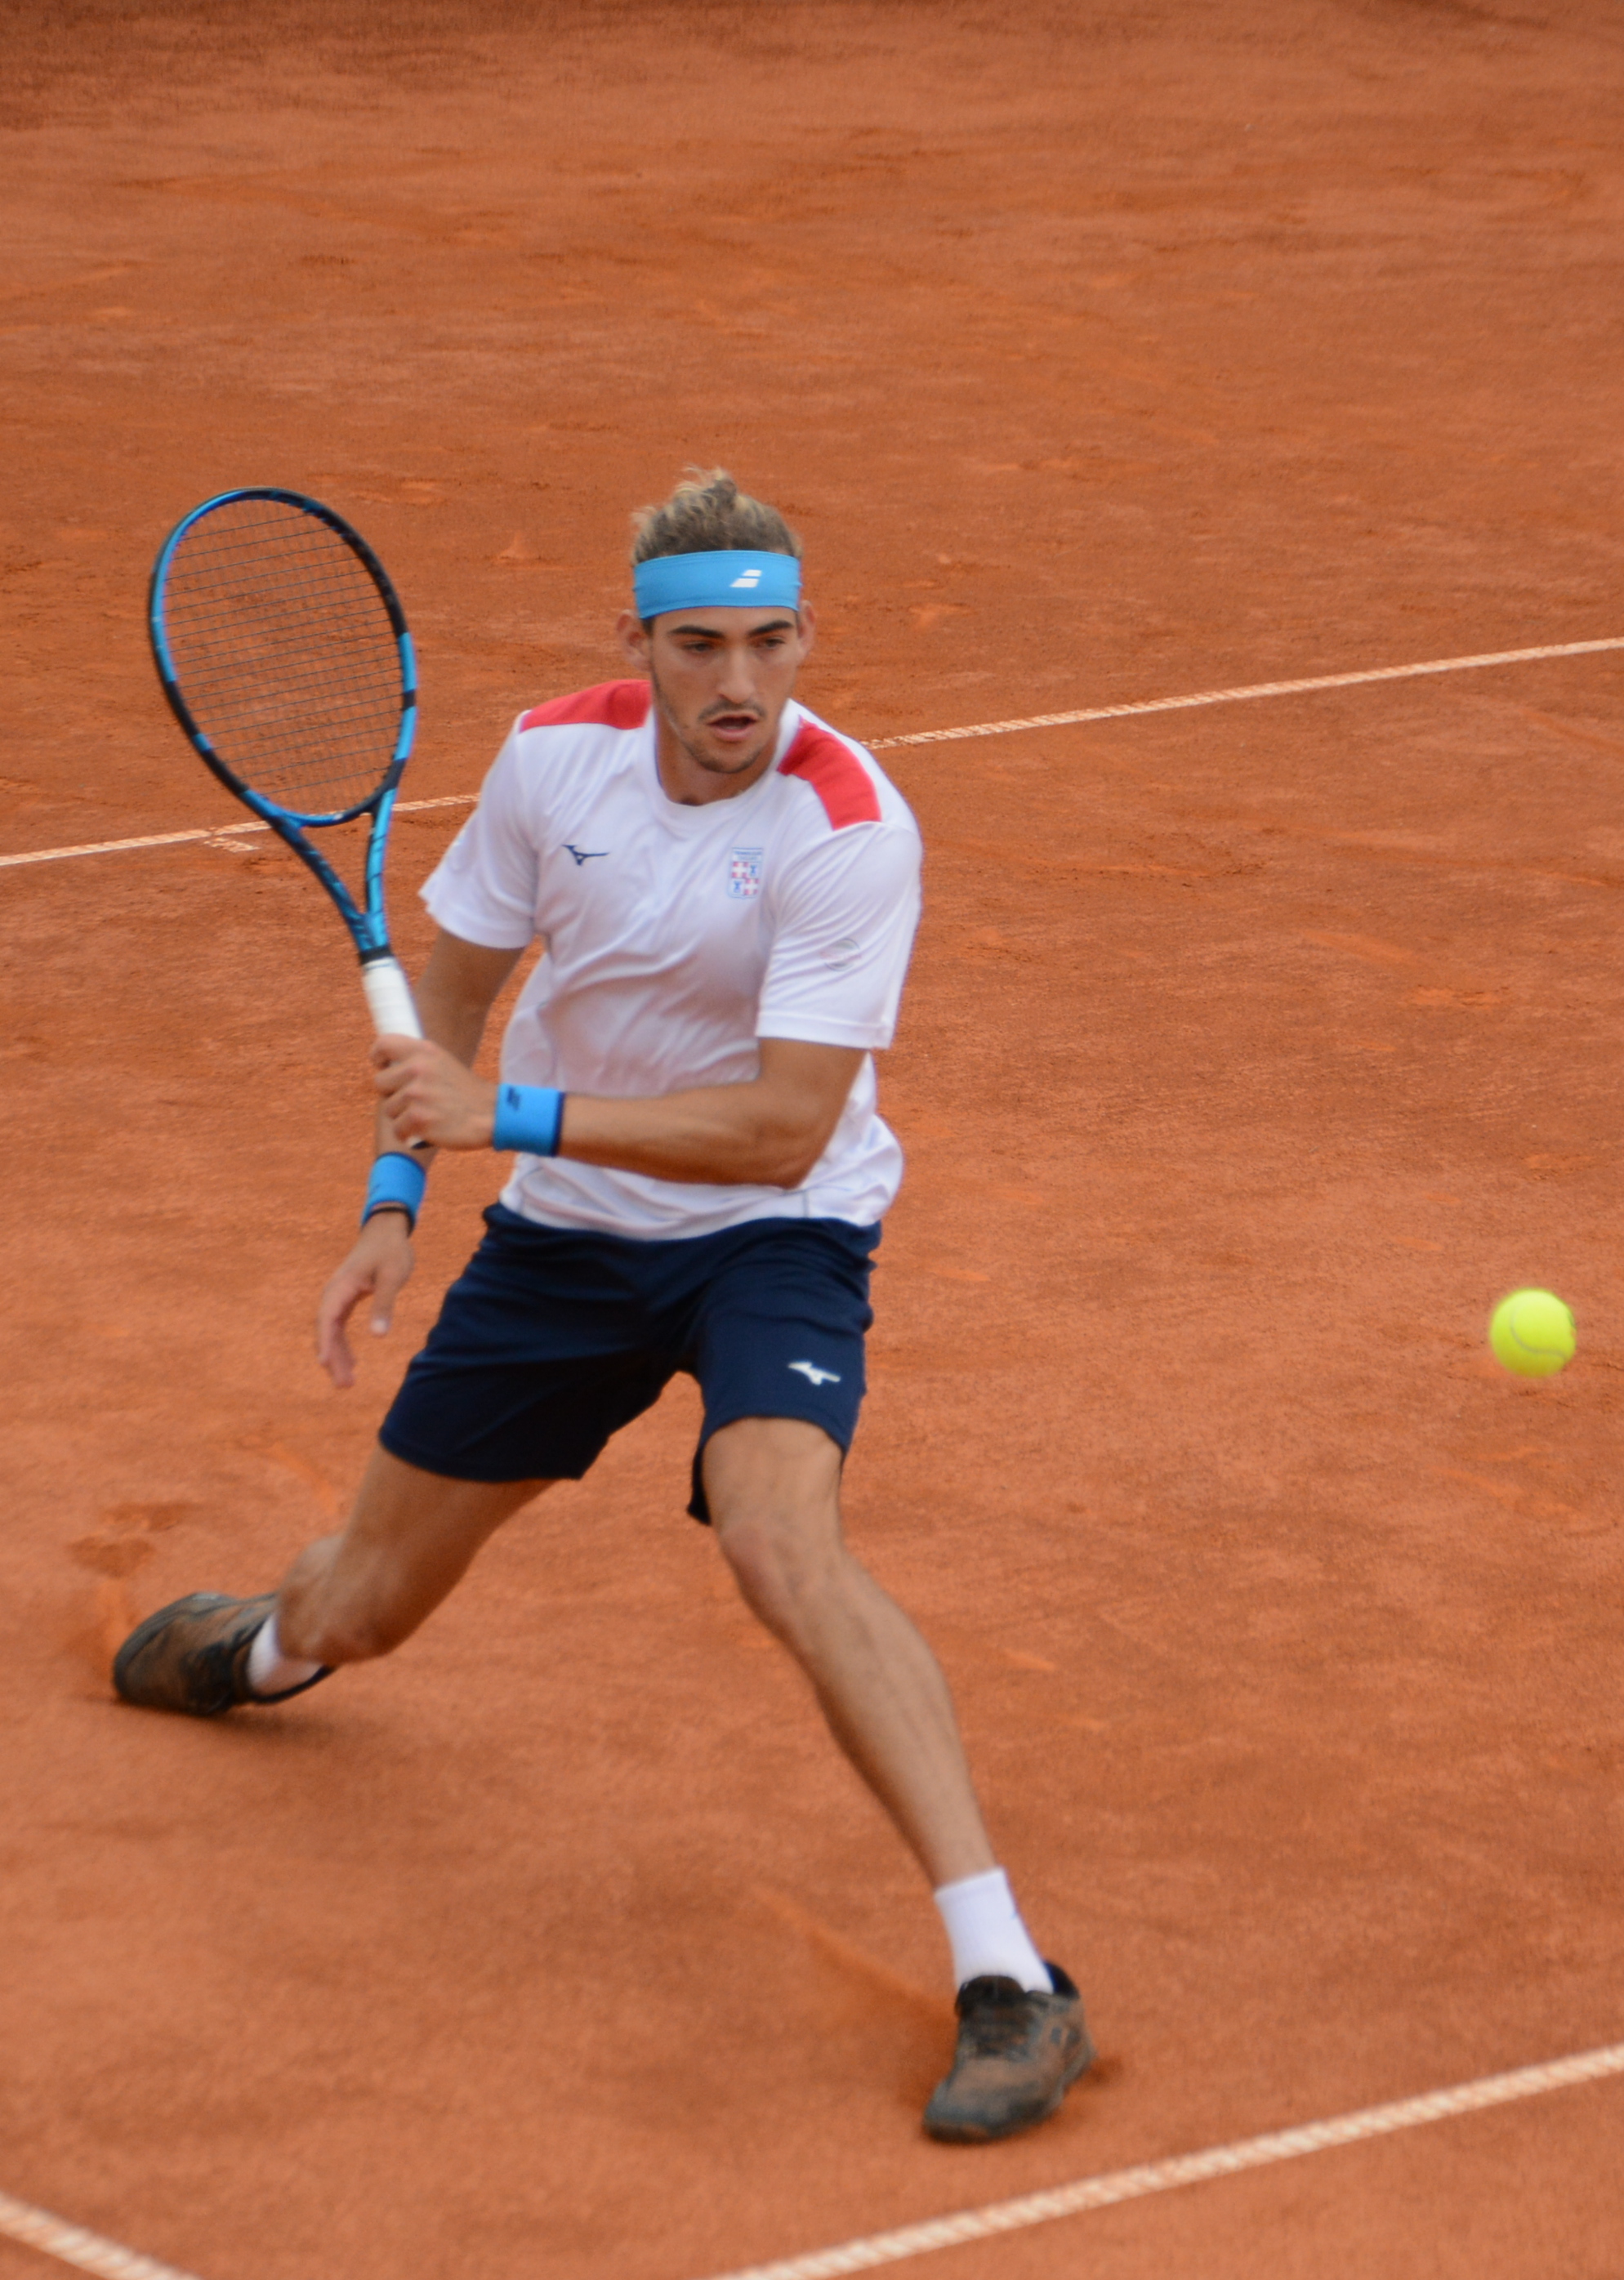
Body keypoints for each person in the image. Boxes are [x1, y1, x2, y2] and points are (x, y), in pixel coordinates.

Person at [114, 469, 1094, 2144]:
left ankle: (1009, 1975)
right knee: (359, 1610)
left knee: (779, 1538)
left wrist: (505, 1117)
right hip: (564, 1245)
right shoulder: (550, 760)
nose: (737, 684)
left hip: (772, 1232)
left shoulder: (849, 825)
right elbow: (452, 1000)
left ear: (805, 640)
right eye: (698, 645)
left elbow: (783, 1127)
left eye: (768, 645)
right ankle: (265, 1648)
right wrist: (394, 1200)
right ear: (637, 645)